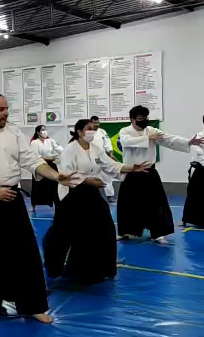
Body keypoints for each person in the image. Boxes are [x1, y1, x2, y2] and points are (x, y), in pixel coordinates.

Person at [0, 93, 75, 324]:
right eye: (0, 109)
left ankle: (32, 305)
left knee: (24, 253)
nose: (5, 113)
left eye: (7, 109)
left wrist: (57, 177)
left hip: (10, 198)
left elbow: (32, 161)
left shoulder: (14, 132)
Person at [43, 119, 149, 284]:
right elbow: (65, 174)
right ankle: (58, 267)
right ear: (79, 132)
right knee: (65, 233)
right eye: (89, 128)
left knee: (104, 226)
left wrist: (131, 168)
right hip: (71, 193)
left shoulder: (96, 149)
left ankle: (100, 268)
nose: (93, 131)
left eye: (94, 128)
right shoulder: (70, 150)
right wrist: (88, 181)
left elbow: (110, 165)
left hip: (90, 193)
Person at [117, 105, 204, 244]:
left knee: (156, 203)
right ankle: (126, 231)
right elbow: (125, 142)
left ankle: (157, 233)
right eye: (140, 118)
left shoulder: (152, 130)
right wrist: (148, 138)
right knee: (128, 203)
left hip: (149, 171)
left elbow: (169, 139)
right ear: (133, 119)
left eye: (146, 118)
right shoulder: (125, 131)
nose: (144, 121)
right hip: (132, 172)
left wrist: (188, 141)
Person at [29, 125, 63, 211]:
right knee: (37, 187)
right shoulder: (34, 142)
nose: (45, 131)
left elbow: (58, 148)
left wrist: (68, 151)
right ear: (38, 132)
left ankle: (55, 204)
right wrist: (48, 158)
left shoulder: (50, 141)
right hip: (39, 165)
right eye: (42, 130)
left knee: (54, 185)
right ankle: (33, 206)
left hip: (51, 165)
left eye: (45, 129)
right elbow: (35, 155)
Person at [90, 116, 117, 202]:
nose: (96, 124)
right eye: (94, 122)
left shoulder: (102, 132)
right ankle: (95, 196)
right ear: (90, 122)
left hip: (102, 156)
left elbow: (107, 144)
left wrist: (110, 154)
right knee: (93, 176)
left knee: (107, 176)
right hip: (91, 157)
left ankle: (110, 196)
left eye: (98, 122)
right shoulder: (87, 132)